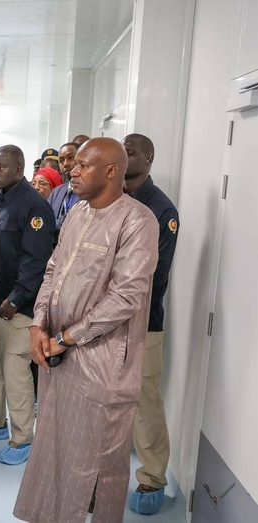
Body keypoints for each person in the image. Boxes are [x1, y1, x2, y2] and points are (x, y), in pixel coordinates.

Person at [13, 138, 159, 523]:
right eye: (72, 165)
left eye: (81, 166)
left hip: (103, 363)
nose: (71, 172)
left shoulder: (138, 220)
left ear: (112, 170)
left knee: (98, 463)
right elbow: (52, 272)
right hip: (58, 356)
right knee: (57, 449)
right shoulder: (77, 212)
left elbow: (126, 296)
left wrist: (66, 338)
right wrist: (38, 324)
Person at [0, 145, 55, 467]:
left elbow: (36, 260)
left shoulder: (35, 207)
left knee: (16, 372)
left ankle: (22, 437)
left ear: (19, 168)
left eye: (1, 167)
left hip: (17, 307)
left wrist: (18, 298)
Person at [122, 133, 179, 515]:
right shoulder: (110, 201)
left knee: (145, 402)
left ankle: (152, 477)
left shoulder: (162, 210)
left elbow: (152, 276)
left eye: (131, 153)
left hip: (143, 322)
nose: (125, 159)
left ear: (150, 157)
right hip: (99, 325)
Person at [47, 142, 81, 243]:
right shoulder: (57, 191)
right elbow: (45, 221)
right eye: (61, 161)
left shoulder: (91, 192)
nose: (65, 164)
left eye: (71, 158)